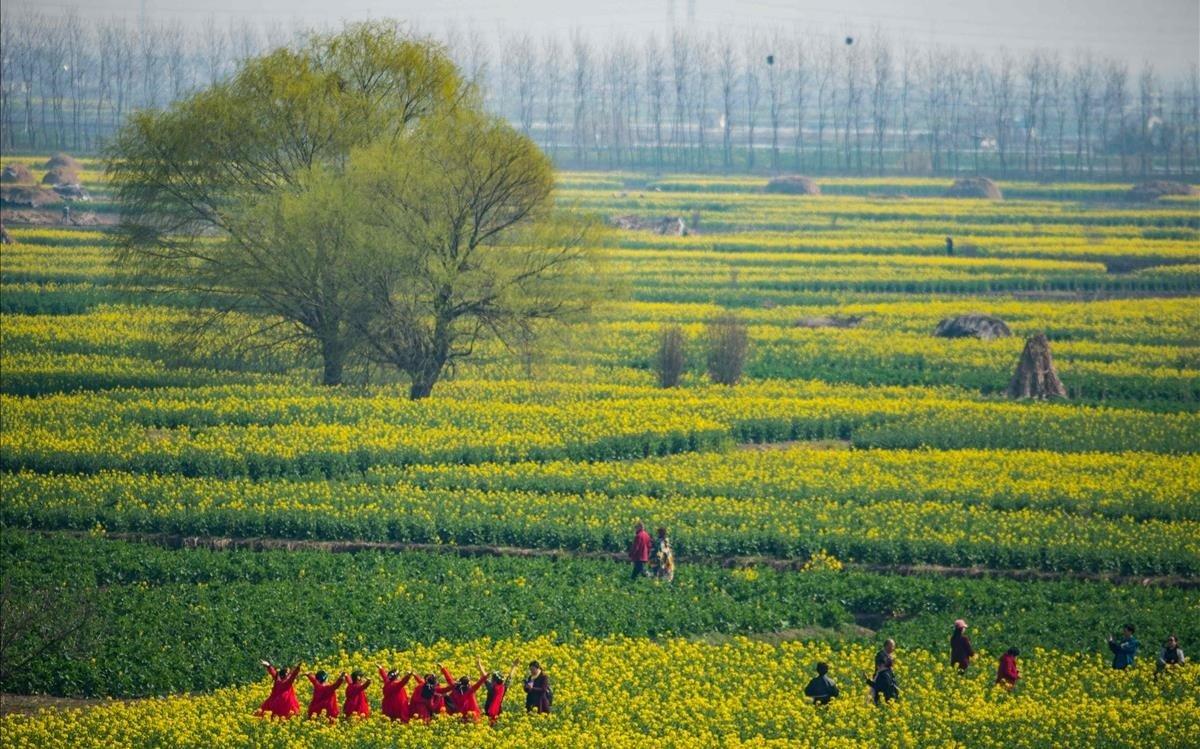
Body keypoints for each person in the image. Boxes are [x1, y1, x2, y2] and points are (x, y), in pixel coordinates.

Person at [480, 657, 521, 724]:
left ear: (494, 681)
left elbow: (484, 676)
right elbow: (509, 677)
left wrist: (479, 665)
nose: (491, 680)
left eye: (492, 679)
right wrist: (514, 666)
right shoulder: (503, 688)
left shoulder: (491, 688)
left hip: (488, 711)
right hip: (498, 711)